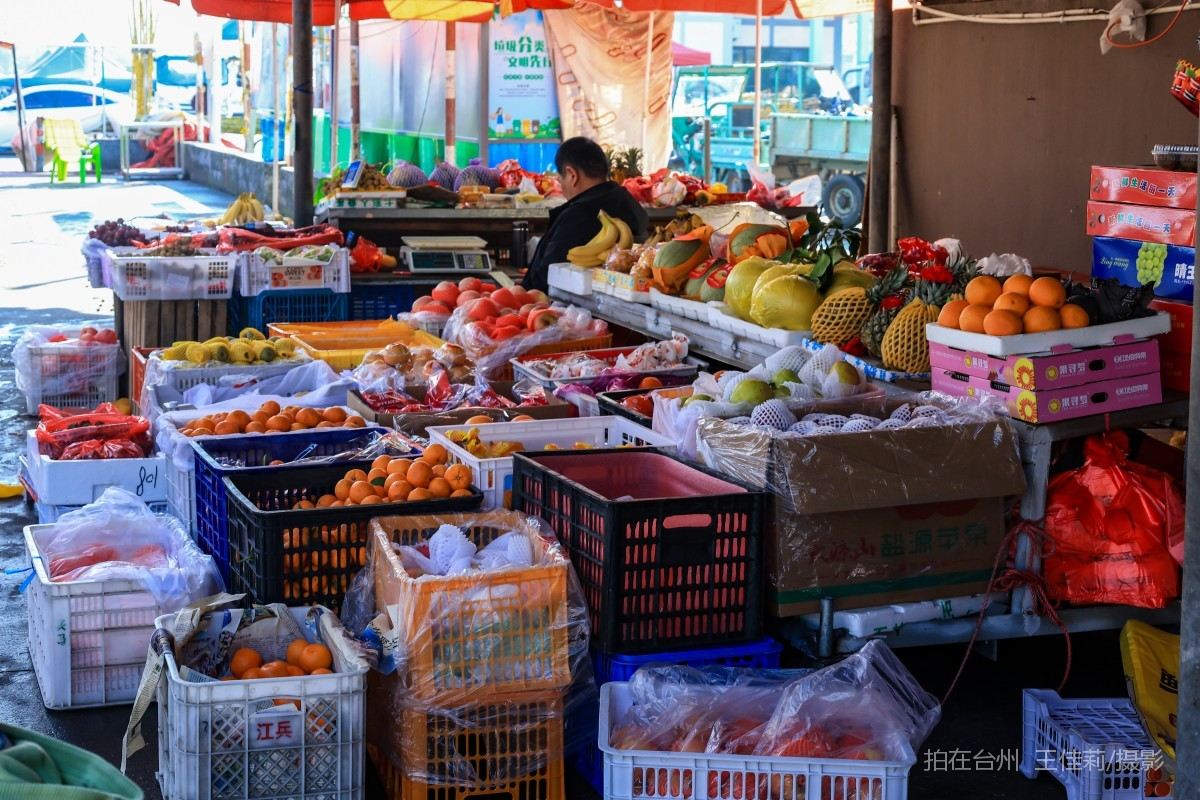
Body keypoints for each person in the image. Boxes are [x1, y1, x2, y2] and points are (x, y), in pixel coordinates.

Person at [522, 137, 649, 292]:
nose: (561, 187)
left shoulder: (579, 216)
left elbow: (545, 278)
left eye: (560, 179)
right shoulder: (630, 204)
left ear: (572, 175)